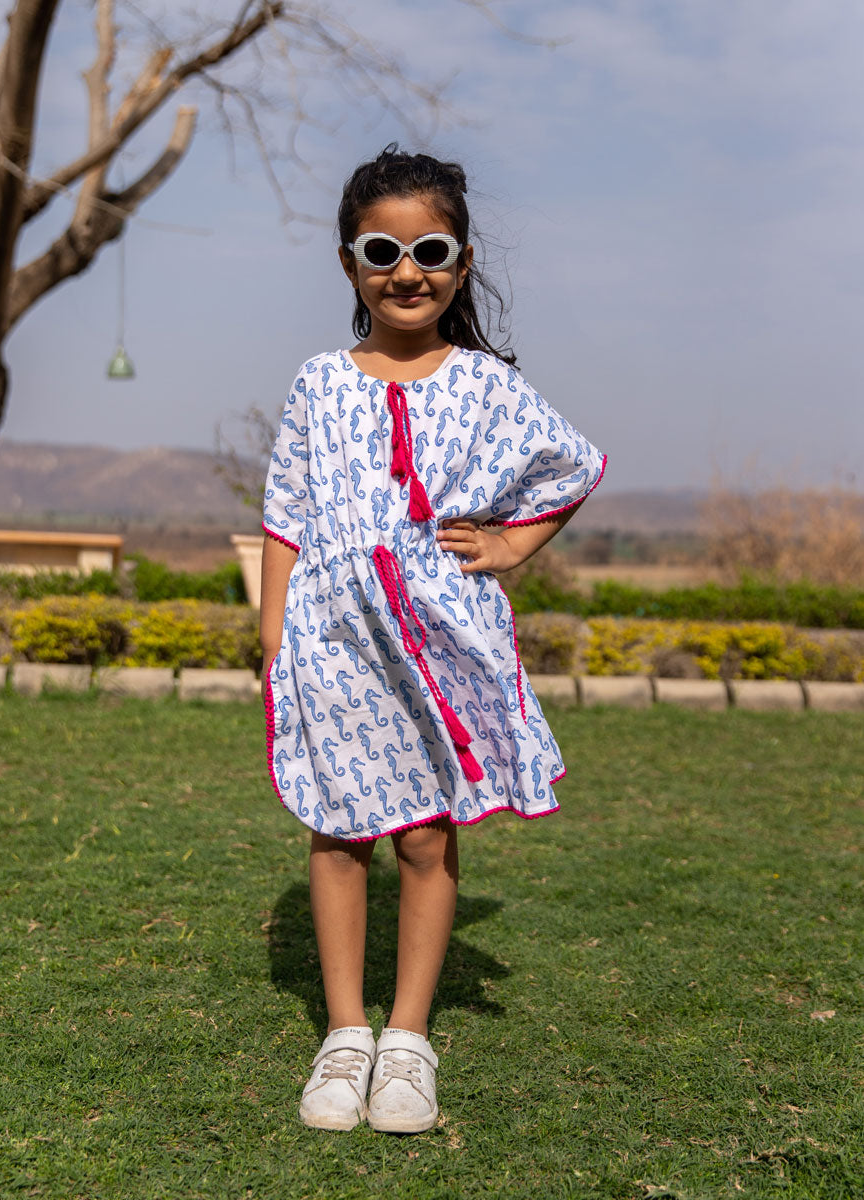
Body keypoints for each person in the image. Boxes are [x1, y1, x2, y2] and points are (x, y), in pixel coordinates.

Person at [259, 145, 606, 1134]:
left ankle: (408, 1039)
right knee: (338, 829)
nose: (406, 271)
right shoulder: (320, 382)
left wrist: (510, 544)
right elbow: (286, 510)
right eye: (382, 251)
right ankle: (343, 1034)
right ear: (349, 263)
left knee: (423, 833)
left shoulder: (489, 386)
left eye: (431, 251)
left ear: (460, 262)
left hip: (441, 643)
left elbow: (569, 464)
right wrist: (275, 639)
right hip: (333, 639)